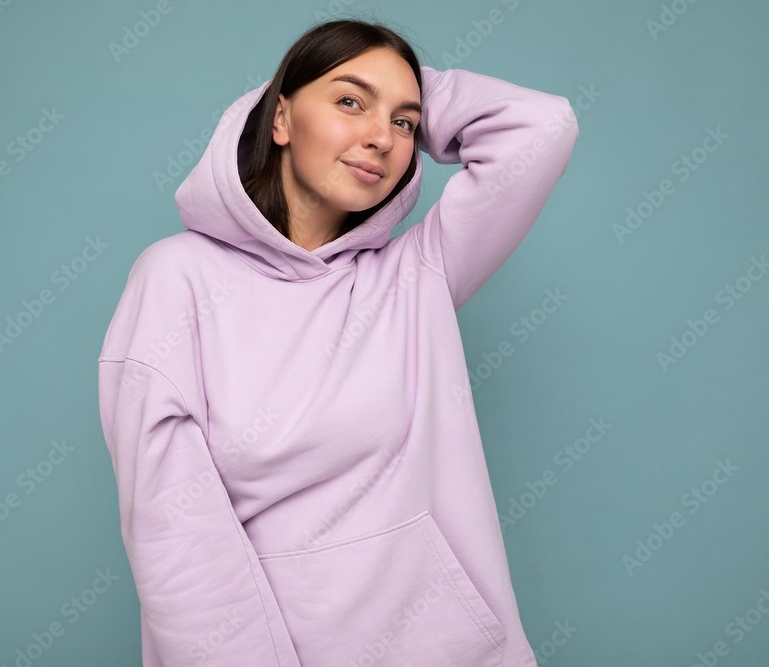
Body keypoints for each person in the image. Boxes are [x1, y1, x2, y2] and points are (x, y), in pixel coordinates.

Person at [98, 17, 578, 666]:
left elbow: (542, 127)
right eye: (348, 101)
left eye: (405, 122)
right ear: (280, 119)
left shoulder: (416, 277)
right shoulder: (176, 278)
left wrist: (401, 91)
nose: (381, 136)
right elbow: (174, 537)